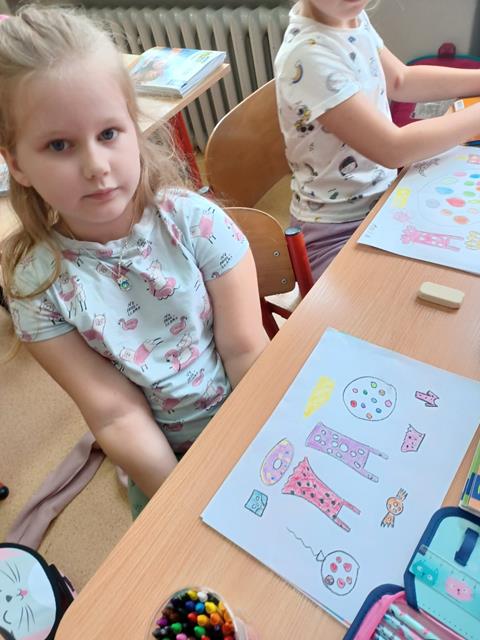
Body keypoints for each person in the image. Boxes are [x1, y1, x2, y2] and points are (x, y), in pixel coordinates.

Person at [0, 5, 269, 518]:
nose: (95, 166)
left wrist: (255, 450)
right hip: (162, 469)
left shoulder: (194, 223)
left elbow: (244, 349)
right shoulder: (37, 287)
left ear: (133, 126)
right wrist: (186, 503)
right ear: (17, 164)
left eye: (109, 134)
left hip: (249, 417)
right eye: (59, 145)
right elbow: (116, 414)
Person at [275, 0, 480, 280]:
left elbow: (400, 80)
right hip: (335, 231)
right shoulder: (308, 56)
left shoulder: (350, 17)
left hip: (382, 202)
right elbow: (394, 149)